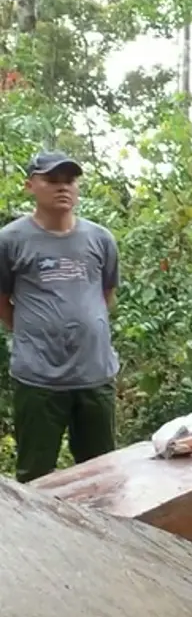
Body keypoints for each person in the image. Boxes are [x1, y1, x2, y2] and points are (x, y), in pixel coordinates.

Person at [0, 151, 120, 483]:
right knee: (35, 479)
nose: (62, 188)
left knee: (102, 476)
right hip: (38, 380)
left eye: (69, 180)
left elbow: (105, 295)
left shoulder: (100, 239)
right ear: (30, 186)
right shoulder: (10, 241)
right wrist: (34, 334)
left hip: (94, 376)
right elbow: (2, 300)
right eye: (52, 180)